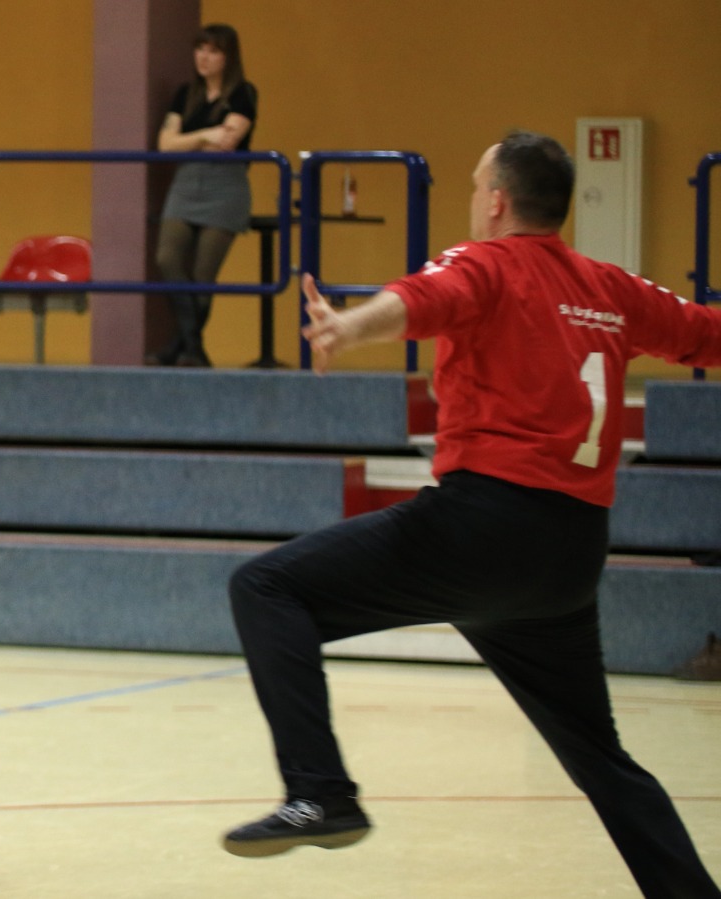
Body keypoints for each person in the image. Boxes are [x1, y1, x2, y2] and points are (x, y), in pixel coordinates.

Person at [221, 132, 721, 898]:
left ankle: (321, 790)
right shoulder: (611, 288)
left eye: (476, 182)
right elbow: (705, 333)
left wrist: (349, 327)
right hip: (569, 557)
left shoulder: (485, 263)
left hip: (484, 526)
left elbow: (421, 300)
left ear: (496, 200)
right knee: (602, 760)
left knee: (266, 588)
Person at [149, 23, 257, 368]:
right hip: (186, 183)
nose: (203, 57)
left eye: (213, 51)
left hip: (225, 187)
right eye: (200, 49)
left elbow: (229, 141)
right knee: (167, 258)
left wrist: (192, 139)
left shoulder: (243, 93)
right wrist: (206, 134)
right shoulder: (185, 94)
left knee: (203, 274)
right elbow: (165, 145)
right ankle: (191, 346)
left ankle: (182, 347)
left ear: (228, 57)